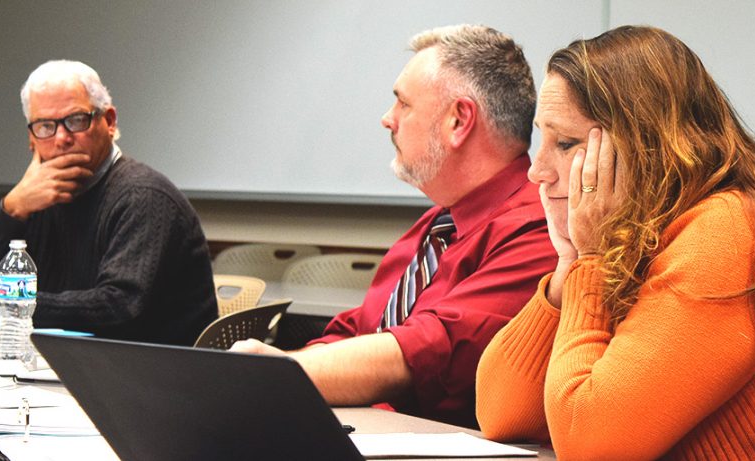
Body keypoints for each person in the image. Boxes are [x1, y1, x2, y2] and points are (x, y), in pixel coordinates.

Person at [475, 25, 755, 459]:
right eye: (540, 140)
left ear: (646, 146)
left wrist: (591, 257)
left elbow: (590, 445)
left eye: (565, 143)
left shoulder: (731, 228)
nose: (537, 171)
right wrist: (568, 267)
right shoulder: (640, 233)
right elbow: (499, 413)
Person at [232, 24, 557, 427]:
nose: (388, 120)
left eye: (403, 104)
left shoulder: (538, 229)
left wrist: (283, 374)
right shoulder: (439, 222)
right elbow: (364, 327)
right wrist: (293, 368)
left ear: (459, 120)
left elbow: (428, 348)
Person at [0, 60, 217, 346]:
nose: (61, 138)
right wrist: (10, 211)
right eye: (45, 126)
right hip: (62, 367)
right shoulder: (33, 200)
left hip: (153, 375)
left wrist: (7, 306)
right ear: (32, 140)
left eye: (75, 121)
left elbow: (120, 307)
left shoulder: (144, 196)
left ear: (109, 121)